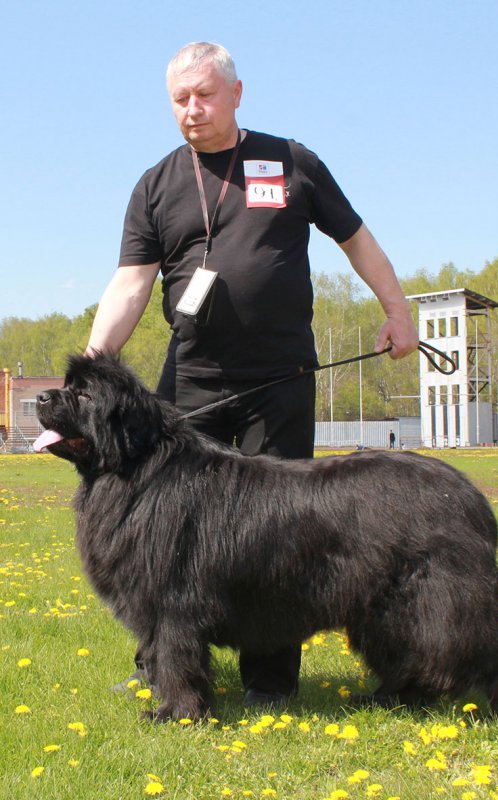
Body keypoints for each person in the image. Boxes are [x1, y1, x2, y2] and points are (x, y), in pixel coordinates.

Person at [85, 42, 419, 708]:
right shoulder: (155, 184)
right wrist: (94, 365)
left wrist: (396, 309)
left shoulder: (292, 163)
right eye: (179, 98)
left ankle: (271, 680)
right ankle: (164, 666)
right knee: (165, 536)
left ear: (237, 93)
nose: (192, 110)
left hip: (278, 377)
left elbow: (356, 238)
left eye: (204, 95)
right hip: (188, 390)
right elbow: (132, 282)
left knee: (278, 533)